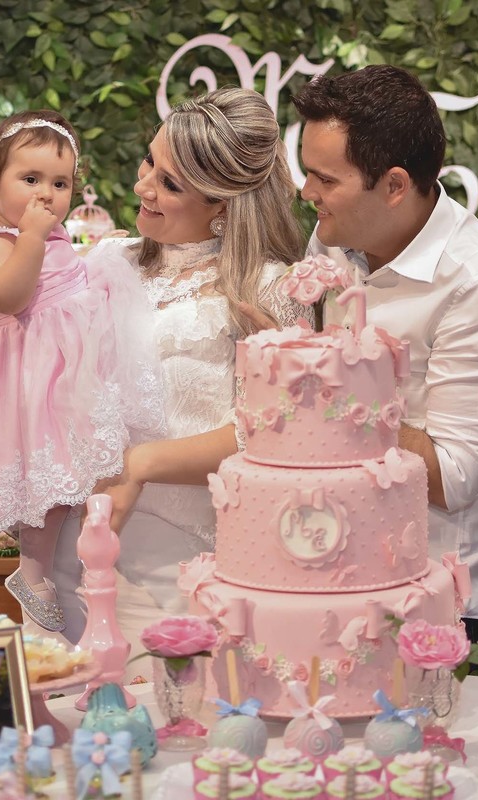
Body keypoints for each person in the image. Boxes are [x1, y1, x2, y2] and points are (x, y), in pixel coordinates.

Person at [48, 88, 311, 655]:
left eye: (170, 183)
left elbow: (276, 435)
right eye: (149, 162)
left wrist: (139, 465)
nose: (142, 186)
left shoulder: (270, 289)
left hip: (184, 571)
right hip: (74, 545)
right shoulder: (106, 261)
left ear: (223, 205)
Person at [292, 66, 478, 644]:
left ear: (395, 185)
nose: (307, 193)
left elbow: (454, 479)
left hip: (428, 610)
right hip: (322, 579)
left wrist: (329, 380)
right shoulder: (337, 239)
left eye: (324, 179)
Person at [0, 109, 164, 632]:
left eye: (59, 184)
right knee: (46, 482)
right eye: (30, 180)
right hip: (27, 375)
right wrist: (33, 238)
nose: (46, 196)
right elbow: (9, 297)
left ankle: (83, 563)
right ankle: (31, 572)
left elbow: (65, 278)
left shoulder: (48, 233)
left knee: (82, 469)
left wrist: (94, 254)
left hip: (66, 373)